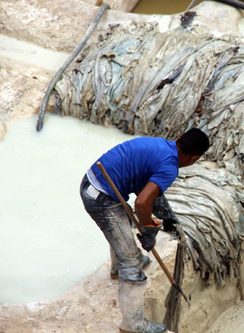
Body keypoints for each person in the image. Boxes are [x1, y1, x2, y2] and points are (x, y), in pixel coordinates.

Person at [79, 128, 209, 333]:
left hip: (93, 182)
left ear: (178, 139)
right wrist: (148, 230)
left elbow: (146, 189)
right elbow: (142, 202)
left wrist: (166, 218)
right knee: (131, 262)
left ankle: (116, 269)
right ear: (194, 158)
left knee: (120, 228)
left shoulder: (161, 145)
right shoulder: (170, 167)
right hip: (102, 197)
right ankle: (133, 323)